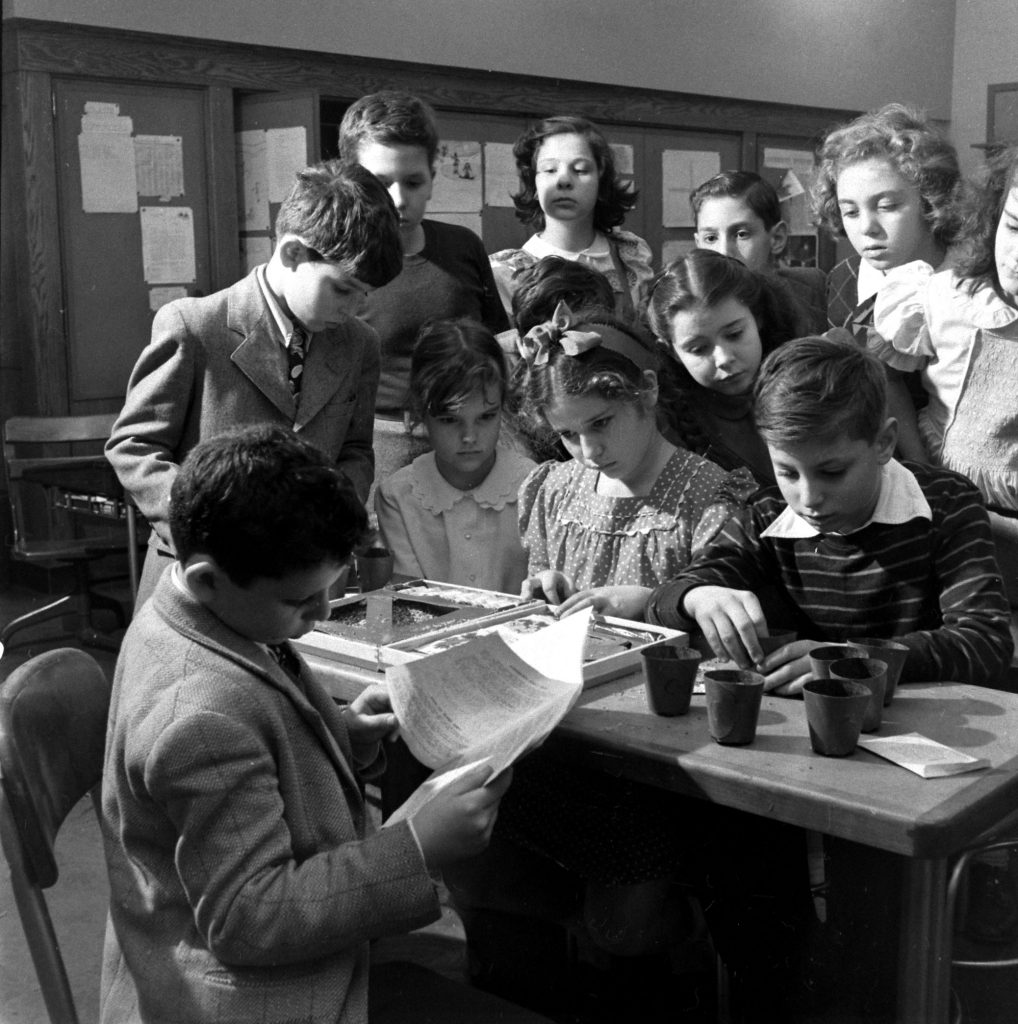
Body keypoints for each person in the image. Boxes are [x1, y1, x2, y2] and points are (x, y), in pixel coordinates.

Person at [99, 424, 514, 1024]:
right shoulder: (200, 716)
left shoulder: (198, 613)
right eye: (301, 601)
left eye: (333, 586)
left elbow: (251, 751)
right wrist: (417, 847)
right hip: (248, 998)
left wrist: (341, 734)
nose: (322, 615)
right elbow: (251, 917)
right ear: (208, 579)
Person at [644, 334, 1013, 694]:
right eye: (787, 472)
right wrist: (698, 596)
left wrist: (847, 661)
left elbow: (985, 642)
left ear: (884, 442)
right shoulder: (764, 513)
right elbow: (665, 600)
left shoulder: (948, 504)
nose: (808, 498)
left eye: (832, 472)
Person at [106, 159, 401, 608]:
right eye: (343, 290)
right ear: (292, 254)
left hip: (301, 589)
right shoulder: (193, 326)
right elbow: (133, 449)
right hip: (200, 583)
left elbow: (357, 451)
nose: (354, 309)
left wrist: (328, 522)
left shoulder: (361, 345)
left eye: (365, 295)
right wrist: (213, 529)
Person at [513, 304, 755, 619]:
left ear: (648, 389)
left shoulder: (709, 496)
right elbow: (543, 584)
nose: (589, 451)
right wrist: (548, 586)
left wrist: (650, 602)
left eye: (600, 423)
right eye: (569, 434)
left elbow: (722, 616)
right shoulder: (554, 491)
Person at [870, 145, 1018, 620]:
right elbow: (889, 377)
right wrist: (918, 469)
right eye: (1014, 227)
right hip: (938, 512)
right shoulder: (942, 295)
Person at [337, 91, 509, 490]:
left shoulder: (463, 246)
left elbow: (497, 338)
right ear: (352, 181)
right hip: (381, 442)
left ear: (432, 178)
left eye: (413, 182)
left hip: (470, 435)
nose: (398, 199)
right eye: (381, 184)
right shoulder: (341, 267)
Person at [812, 102, 963, 460]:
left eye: (887, 205)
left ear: (930, 200)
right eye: (850, 211)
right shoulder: (844, 282)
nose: (866, 228)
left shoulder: (976, 280)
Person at [374, 318, 534, 593]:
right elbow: (409, 598)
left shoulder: (533, 485)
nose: (469, 436)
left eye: (485, 417)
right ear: (421, 413)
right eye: (450, 420)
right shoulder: (398, 497)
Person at [646, 248, 809, 484]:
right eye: (699, 349)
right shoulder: (665, 424)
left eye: (734, 334)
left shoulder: (813, 381)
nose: (723, 358)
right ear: (672, 352)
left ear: (758, 317)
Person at [489, 115, 653, 322]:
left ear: (600, 179)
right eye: (550, 170)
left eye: (580, 170)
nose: (564, 180)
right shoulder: (506, 273)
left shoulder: (630, 254)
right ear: (534, 183)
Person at [690, 169, 827, 331]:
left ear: (777, 238)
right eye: (711, 238)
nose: (724, 252)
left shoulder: (812, 286)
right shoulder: (689, 309)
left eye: (741, 235)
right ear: (698, 244)